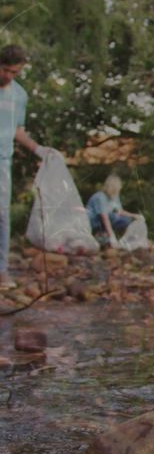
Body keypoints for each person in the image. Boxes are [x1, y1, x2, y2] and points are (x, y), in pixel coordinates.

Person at [0, 45, 56, 290]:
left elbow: (16, 131)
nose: (9, 76)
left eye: (15, 72)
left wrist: (38, 149)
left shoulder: (19, 96)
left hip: (2, 160)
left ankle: (1, 271)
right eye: (5, 70)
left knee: (2, 216)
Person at [86, 174, 140, 248]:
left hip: (109, 220)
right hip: (96, 223)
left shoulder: (114, 196)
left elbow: (119, 211)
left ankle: (122, 240)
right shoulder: (100, 197)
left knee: (126, 220)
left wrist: (133, 215)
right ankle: (102, 236)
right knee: (111, 219)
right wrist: (112, 236)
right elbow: (104, 218)